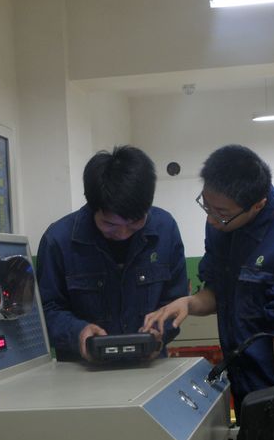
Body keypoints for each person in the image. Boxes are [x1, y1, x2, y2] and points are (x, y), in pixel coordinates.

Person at [143, 144, 274, 418]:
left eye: (220, 212)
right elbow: (218, 293)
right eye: (206, 205)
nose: (211, 219)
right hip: (244, 377)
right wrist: (188, 303)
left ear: (257, 205)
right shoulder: (222, 224)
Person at [36, 145, 188, 361]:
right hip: (82, 372)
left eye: (135, 222)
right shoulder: (58, 240)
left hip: (148, 367)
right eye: (110, 224)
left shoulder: (165, 229)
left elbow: (175, 301)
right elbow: (46, 310)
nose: (123, 234)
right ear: (92, 206)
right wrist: (78, 332)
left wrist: (159, 334)